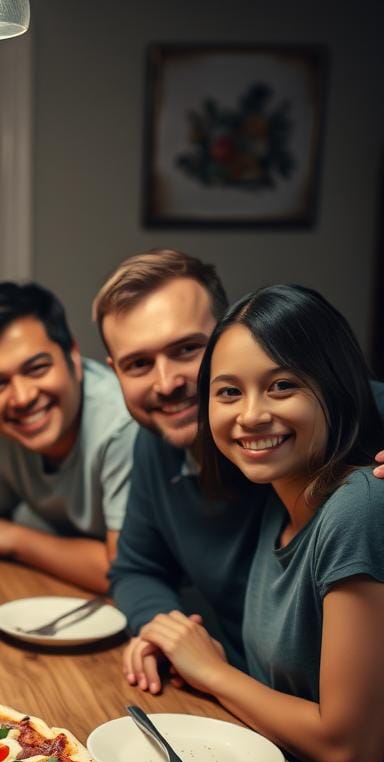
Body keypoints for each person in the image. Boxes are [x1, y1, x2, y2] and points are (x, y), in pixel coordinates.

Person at [137, 284, 384, 762]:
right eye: (228, 392)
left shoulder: (358, 508)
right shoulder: (275, 505)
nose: (251, 415)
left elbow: (349, 751)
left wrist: (213, 672)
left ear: (335, 386)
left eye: (282, 385)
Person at [96, 249, 384, 689]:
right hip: (242, 691)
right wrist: (169, 633)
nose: (166, 382)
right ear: (115, 371)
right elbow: (137, 568)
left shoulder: (335, 420)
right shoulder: (155, 445)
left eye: (188, 349)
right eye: (139, 363)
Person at [0, 282, 137, 593]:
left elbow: (122, 570)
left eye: (37, 368)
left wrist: (12, 538)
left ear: (73, 355)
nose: (21, 398)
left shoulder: (122, 423)